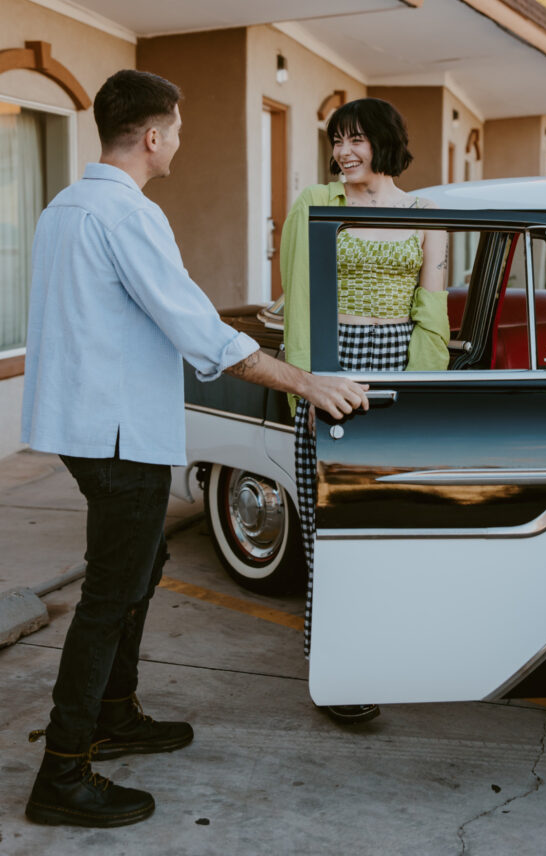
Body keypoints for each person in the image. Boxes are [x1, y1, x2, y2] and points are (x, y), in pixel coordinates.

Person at [21, 69, 368, 829]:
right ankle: (64, 771)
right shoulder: (126, 215)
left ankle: (115, 715)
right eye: (175, 130)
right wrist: (306, 383)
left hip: (84, 430)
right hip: (116, 435)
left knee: (143, 566)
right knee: (111, 594)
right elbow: (200, 331)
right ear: (152, 136)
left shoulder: (61, 208)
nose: (179, 141)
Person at [280, 97, 449, 725]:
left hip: (396, 364)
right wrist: (305, 380)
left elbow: (431, 305)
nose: (344, 152)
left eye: (356, 139)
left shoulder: (427, 213)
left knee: (389, 521)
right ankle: (336, 670)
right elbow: (298, 295)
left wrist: (425, 394)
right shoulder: (316, 204)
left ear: (384, 142)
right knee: (328, 528)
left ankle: (385, 653)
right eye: (336, 140)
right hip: (332, 364)